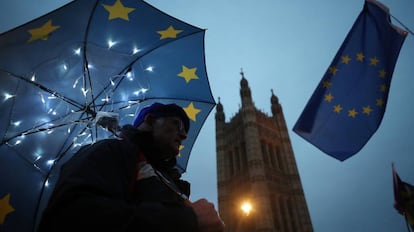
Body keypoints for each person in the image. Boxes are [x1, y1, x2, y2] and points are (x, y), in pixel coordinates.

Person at [38, 102, 224, 232]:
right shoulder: (110, 152)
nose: (183, 135)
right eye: (177, 125)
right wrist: (187, 220)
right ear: (150, 121)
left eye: (184, 130)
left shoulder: (169, 179)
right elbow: (71, 217)